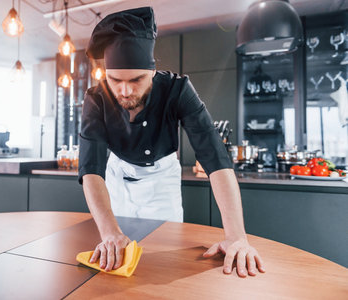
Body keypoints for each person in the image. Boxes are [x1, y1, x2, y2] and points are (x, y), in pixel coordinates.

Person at [78, 6, 265, 278]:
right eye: (115, 80)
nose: (126, 90)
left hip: (161, 178)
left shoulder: (178, 90)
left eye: (137, 79)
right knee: (115, 258)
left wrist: (237, 236)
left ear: (152, 71)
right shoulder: (95, 98)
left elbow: (215, 160)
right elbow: (91, 169)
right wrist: (109, 233)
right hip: (116, 177)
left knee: (164, 263)